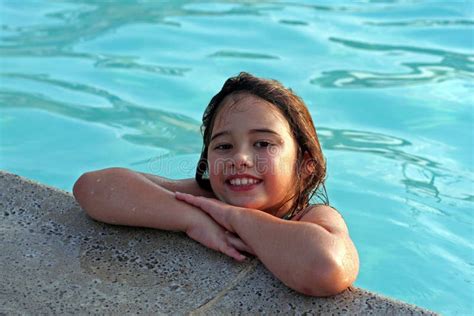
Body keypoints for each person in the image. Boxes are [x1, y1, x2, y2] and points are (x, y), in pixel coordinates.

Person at [73, 72, 359, 297]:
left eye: (262, 143)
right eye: (223, 146)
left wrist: (238, 218)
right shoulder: (207, 199)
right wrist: (192, 219)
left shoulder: (311, 217)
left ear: (305, 164)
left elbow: (326, 267)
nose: (240, 158)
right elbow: (93, 187)